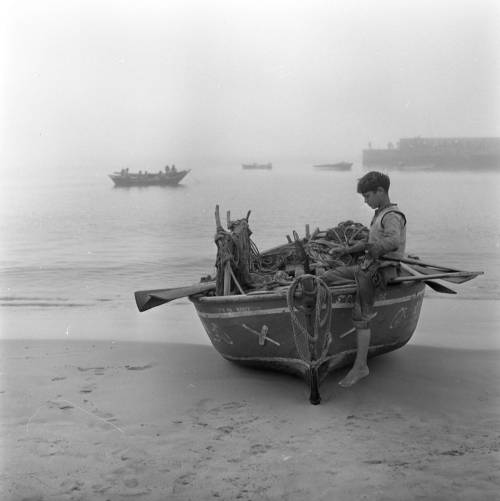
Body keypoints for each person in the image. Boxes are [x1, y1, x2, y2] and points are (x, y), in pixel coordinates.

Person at [321, 171, 406, 387]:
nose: (366, 201)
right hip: (368, 266)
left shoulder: (392, 216)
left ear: (380, 191)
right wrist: (346, 249)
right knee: (327, 276)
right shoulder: (380, 213)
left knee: (360, 312)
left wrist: (373, 250)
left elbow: (394, 240)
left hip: (382, 270)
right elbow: (369, 242)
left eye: (367, 196)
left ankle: (360, 366)